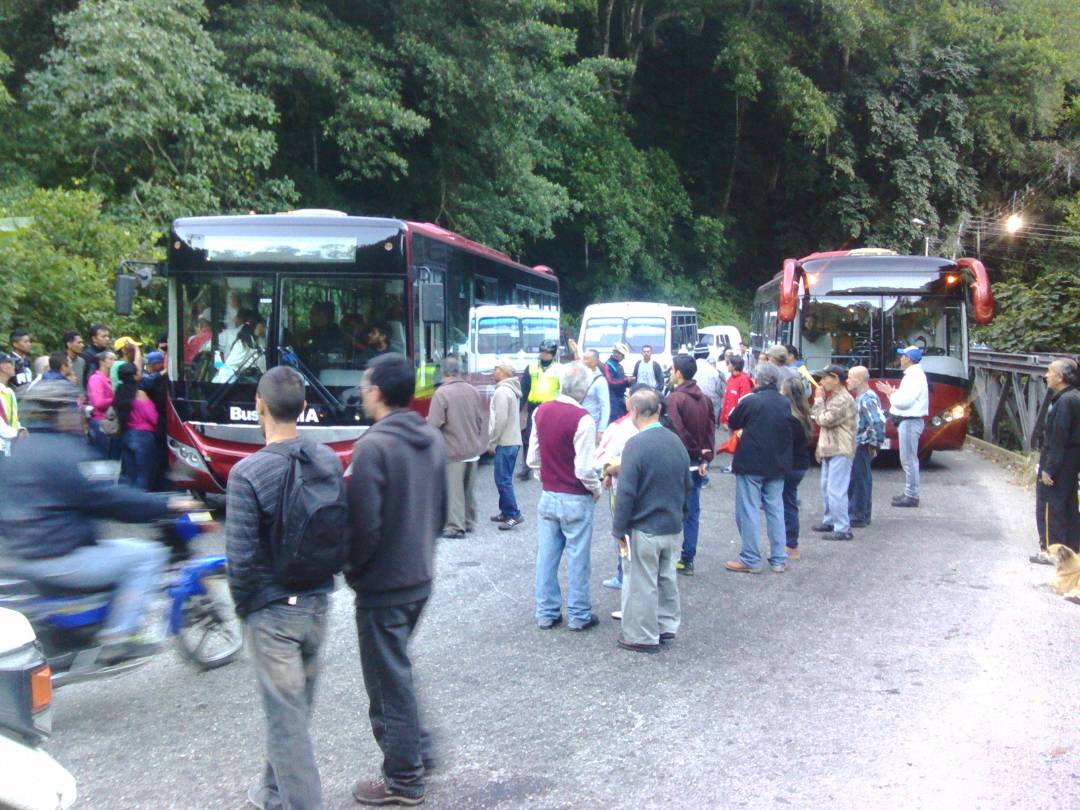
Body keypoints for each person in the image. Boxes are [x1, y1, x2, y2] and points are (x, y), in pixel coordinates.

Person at [0, 377, 190, 663]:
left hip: (23, 557)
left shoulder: (19, 451)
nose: (78, 413)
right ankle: (120, 638)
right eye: (73, 408)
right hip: (61, 556)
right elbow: (110, 499)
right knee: (146, 555)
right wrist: (165, 503)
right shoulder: (67, 453)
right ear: (61, 413)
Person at [226, 366, 343, 810]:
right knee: (292, 714)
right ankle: (272, 792)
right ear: (305, 409)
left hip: (273, 613)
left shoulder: (248, 473)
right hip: (318, 602)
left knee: (286, 722)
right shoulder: (328, 459)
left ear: (259, 405)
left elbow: (239, 560)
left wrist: (249, 611)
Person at [347, 353, 447, 806]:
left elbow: (363, 525)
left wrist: (355, 571)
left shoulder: (373, 446)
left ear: (379, 392)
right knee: (397, 669)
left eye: (367, 384)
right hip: (419, 575)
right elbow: (441, 511)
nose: (363, 391)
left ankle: (403, 778)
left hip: (383, 584)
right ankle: (419, 749)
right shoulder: (429, 436)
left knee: (387, 682)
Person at [611, 389, 692, 653]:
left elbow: (626, 491)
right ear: (658, 410)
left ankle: (642, 635)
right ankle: (666, 624)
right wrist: (682, 514)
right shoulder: (675, 441)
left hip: (644, 526)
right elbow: (686, 483)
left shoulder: (636, 445)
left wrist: (619, 528)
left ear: (633, 411)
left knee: (641, 582)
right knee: (666, 577)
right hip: (671, 523)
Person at [527, 362, 601, 631]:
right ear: (584, 389)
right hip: (575, 496)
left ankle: (546, 611)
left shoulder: (540, 411)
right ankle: (579, 615)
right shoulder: (583, 419)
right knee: (578, 558)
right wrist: (596, 488)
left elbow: (532, 457)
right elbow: (584, 468)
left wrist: (545, 478)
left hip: (549, 493)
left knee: (546, 556)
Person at [724, 363, 792, 574]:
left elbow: (733, 420)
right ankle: (779, 558)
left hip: (752, 461)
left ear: (757, 379)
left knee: (749, 510)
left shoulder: (750, 400)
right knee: (775, 509)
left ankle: (751, 558)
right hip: (778, 461)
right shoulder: (784, 402)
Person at [596, 383, 651, 590]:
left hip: (623, 487)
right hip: (648, 490)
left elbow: (606, 458)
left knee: (623, 531)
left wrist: (607, 472)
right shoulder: (660, 427)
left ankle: (624, 575)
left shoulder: (622, 426)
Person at [666, 354, 714, 575]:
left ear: (678, 372)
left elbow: (677, 430)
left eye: (672, 369)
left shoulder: (675, 399)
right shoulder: (705, 399)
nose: (669, 372)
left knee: (670, 510)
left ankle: (667, 558)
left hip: (678, 463)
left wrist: (696, 452)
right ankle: (688, 559)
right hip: (697, 464)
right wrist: (705, 457)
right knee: (692, 511)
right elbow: (710, 431)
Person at [427, 356, 485, 539]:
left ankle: (455, 526)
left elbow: (434, 424)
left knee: (455, 491)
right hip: (473, 447)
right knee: (468, 489)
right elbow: (480, 419)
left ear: (443, 373)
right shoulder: (472, 390)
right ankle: (468, 521)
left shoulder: (442, 393)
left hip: (453, 449)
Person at [1031, 358, 1080, 561]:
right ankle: (1070, 550)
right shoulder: (1073, 397)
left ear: (1060, 377)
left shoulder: (1065, 401)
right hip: (1071, 461)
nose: (1046, 375)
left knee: (1050, 505)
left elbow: (1058, 438)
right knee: (1068, 505)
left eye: (1049, 371)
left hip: (1060, 460)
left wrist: (1049, 469)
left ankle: (1052, 552)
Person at [875, 346, 929, 507]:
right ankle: (909, 492)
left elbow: (904, 402)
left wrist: (890, 394)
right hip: (909, 421)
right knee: (907, 459)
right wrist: (894, 394)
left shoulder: (914, 377)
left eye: (903, 356)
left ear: (909, 359)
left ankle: (912, 495)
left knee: (909, 460)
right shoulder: (914, 376)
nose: (901, 359)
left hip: (910, 421)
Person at [811, 365, 858, 541]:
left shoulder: (843, 400)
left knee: (836, 490)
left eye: (825, 378)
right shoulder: (835, 398)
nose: (821, 382)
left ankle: (843, 528)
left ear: (836, 379)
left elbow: (824, 420)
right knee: (826, 489)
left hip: (840, 450)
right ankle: (830, 520)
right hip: (830, 449)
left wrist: (818, 401)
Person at [488, 359, 524, 530]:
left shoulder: (502, 392)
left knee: (503, 480)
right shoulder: (511, 390)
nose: (493, 372)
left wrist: (493, 441)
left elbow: (500, 420)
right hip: (513, 440)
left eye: (495, 369)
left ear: (503, 372)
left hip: (505, 441)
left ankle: (513, 514)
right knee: (504, 478)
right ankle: (505, 510)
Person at [847, 366, 885, 528]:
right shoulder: (862, 397)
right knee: (862, 479)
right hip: (862, 443)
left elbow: (877, 421)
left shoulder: (866, 398)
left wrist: (875, 444)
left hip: (862, 444)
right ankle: (862, 514)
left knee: (859, 480)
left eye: (850, 377)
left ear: (860, 380)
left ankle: (858, 515)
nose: (847, 381)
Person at [518, 338, 561, 480]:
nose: (543, 354)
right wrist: (518, 408)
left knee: (550, 439)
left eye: (546, 352)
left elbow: (563, 390)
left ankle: (549, 467)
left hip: (551, 408)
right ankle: (526, 467)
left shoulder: (559, 369)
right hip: (533, 406)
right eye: (541, 351)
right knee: (528, 437)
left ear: (552, 354)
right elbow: (524, 388)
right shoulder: (531, 367)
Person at [781, 377, 813, 560]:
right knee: (789, 501)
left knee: (786, 504)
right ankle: (790, 543)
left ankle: (790, 544)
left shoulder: (790, 418)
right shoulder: (803, 413)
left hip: (791, 464)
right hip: (800, 463)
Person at [114, 363, 159, 490]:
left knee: (127, 474)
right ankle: (140, 503)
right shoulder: (140, 394)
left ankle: (122, 502)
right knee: (142, 474)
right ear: (134, 376)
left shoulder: (119, 392)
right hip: (143, 436)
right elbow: (153, 417)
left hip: (126, 434)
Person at [214, 315, 265, 383]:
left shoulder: (256, 345)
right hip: (230, 381)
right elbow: (229, 365)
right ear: (254, 328)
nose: (263, 329)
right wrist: (217, 360)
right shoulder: (241, 344)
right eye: (260, 327)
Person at [86, 349, 117, 459]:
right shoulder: (96, 379)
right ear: (102, 361)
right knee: (102, 457)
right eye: (111, 359)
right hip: (101, 421)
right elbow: (98, 402)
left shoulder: (112, 379)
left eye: (115, 359)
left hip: (111, 422)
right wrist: (116, 399)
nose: (114, 362)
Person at [580, 349, 610, 441]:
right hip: (577, 421)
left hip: (592, 424)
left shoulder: (600, 381)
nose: (583, 361)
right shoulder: (580, 376)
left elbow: (605, 406)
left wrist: (601, 429)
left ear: (594, 362)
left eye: (586, 359)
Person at [0, 352, 27, 457]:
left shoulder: (8, 392)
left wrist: (20, 428)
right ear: (2, 367)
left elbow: (12, 419)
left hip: (8, 448)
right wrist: (16, 434)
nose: (13, 366)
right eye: (10, 362)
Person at [693, 344, 724, 424]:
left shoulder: (691, 367)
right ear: (707, 354)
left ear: (695, 354)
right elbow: (718, 390)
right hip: (711, 403)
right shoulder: (713, 371)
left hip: (693, 402)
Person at [720, 355, 753, 427]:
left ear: (734, 366)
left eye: (729, 364)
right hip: (730, 419)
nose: (727, 366)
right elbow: (727, 399)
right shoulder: (730, 379)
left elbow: (744, 402)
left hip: (737, 420)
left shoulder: (744, 380)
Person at [602, 342, 631, 420]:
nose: (623, 357)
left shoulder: (619, 366)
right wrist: (626, 380)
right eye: (622, 355)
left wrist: (629, 382)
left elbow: (621, 380)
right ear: (615, 353)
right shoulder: (608, 365)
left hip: (620, 398)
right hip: (612, 399)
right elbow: (610, 382)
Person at [82, 323, 112, 388]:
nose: (107, 339)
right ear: (94, 339)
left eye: (108, 336)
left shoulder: (109, 352)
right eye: (103, 336)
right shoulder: (87, 355)